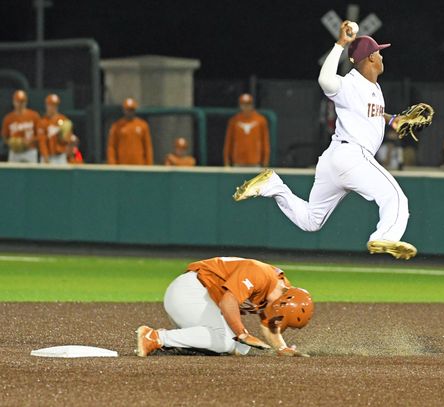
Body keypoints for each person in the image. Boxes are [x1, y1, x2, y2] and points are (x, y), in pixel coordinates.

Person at [232, 22, 417, 260]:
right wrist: (340, 44)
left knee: (311, 221)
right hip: (353, 157)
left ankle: (273, 186)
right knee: (395, 197)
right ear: (370, 58)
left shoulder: (372, 87)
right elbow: (326, 81)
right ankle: (386, 237)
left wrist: (393, 120)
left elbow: (369, 113)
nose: (382, 56)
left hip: (334, 159)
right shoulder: (350, 83)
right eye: (379, 52)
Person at [136, 257, 313, 357]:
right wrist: (242, 333)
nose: (275, 317)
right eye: (279, 315)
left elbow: (268, 324)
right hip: (190, 290)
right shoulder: (260, 273)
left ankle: (182, 341)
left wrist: (282, 348)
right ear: (284, 300)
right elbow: (228, 301)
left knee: (241, 348)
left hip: (204, 300)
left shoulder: (279, 292)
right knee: (226, 341)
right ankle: (155, 337)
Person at [223, 93, 270, 167]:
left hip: (255, 162)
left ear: (252, 105)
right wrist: (226, 160)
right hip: (238, 162)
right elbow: (229, 141)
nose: (246, 107)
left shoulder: (260, 120)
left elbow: (265, 142)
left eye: (248, 104)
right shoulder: (234, 120)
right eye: (243, 104)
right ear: (240, 105)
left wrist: (265, 160)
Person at [107, 98, 153, 165]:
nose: (130, 112)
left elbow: (148, 147)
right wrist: (112, 164)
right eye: (128, 110)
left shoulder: (143, 125)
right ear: (124, 110)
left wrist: (149, 164)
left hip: (139, 165)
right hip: (122, 165)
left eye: (132, 110)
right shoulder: (116, 126)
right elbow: (111, 147)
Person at [1, 90, 41, 163]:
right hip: (15, 152)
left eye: (22, 101)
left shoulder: (34, 116)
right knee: (13, 174)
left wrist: (30, 141)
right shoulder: (8, 118)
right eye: (18, 101)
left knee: (32, 174)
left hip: (30, 151)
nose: (20, 104)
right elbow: (4, 137)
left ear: (26, 102)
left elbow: (40, 135)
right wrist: (11, 142)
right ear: (13, 102)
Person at [38, 94, 72, 164]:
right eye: (50, 105)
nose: (53, 107)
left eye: (55, 105)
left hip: (60, 156)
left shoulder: (63, 120)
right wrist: (45, 156)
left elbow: (67, 140)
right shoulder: (42, 122)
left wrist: (63, 137)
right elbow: (42, 141)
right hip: (47, 156)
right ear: (46, 105)